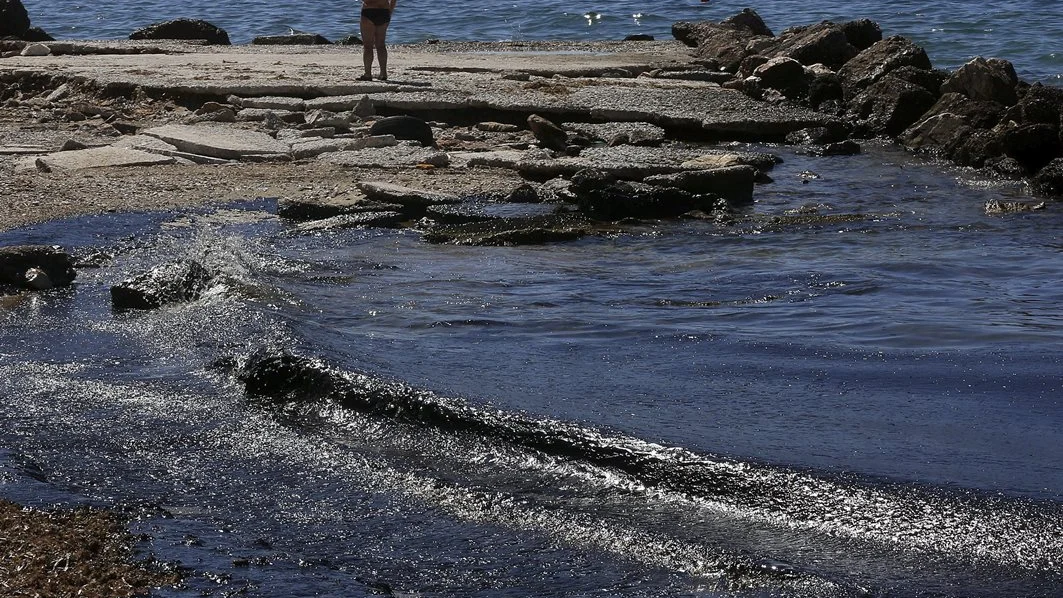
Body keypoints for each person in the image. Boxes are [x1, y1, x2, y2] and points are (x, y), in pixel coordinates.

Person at [360, 0, 396, 80]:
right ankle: (383, 73)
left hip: (369, 10)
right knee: (381, 45)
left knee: (368, 46)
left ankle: (368, 74)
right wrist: (390, 11)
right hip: (384, 11)